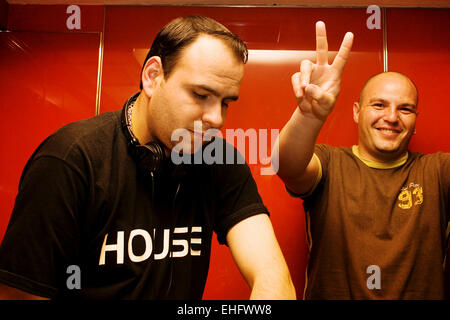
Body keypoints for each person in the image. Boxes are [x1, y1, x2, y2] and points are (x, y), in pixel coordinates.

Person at [0, 16, 296, 300]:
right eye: (201, 95)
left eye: (226, 102)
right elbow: (20, 295)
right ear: (153, 76)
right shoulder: (70, 159)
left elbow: (272, 278)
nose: (216, 118)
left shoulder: (218, 159)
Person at [273, 21, 450, 299]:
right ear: (357, 112)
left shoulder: (438, 171)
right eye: (378, 105)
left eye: (405, 109)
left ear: (416, 121)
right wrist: (309, 116)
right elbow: (286, 166)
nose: (391, 117)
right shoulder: (330, 163)